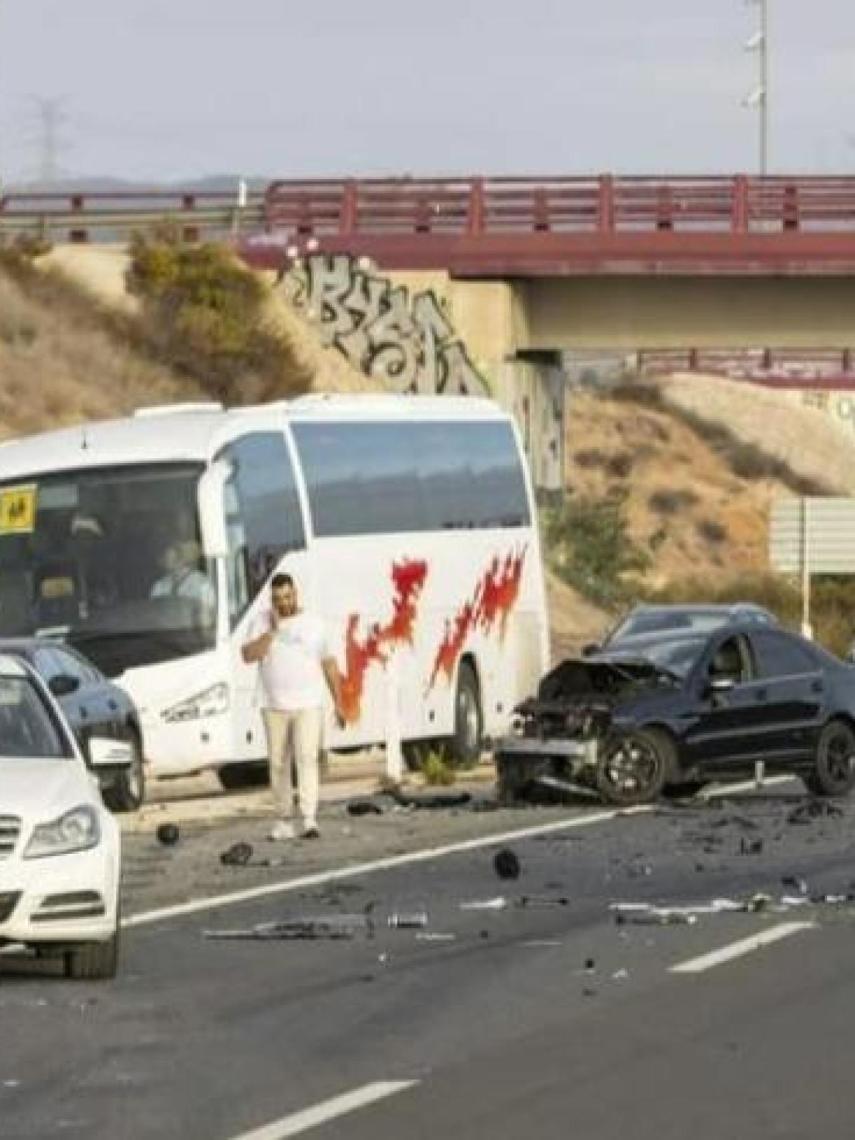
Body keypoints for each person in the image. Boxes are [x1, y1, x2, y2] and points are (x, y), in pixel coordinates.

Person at [241, 572, 345, 840]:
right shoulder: (261, 621)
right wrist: (273, 631)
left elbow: (329, 664)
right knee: (277, 762)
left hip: (308, 702)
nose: (283, 603)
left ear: (295, 594)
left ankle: (309, 817)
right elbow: (248, 655)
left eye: (287, 597)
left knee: (307, 757)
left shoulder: (314, 624)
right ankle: (283, 818)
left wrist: (339, 702)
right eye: (277, 599)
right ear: (271, 600)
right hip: (273, 703)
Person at [150, 539, 215, 610]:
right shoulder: (160, 585)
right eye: (165, 556)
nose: (167, 558)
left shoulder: (202, 583)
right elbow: (154, 609)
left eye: (175, 556)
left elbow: (208, 612)